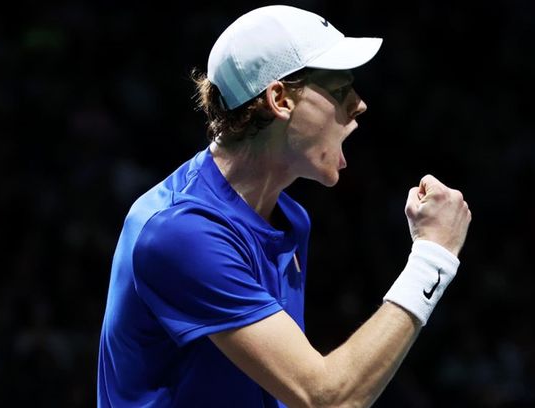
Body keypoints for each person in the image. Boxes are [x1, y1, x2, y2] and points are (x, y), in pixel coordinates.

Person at [97, 5, 471, 407]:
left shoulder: (290, 218)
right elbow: (326, 398)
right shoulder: (180, 232)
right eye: (340, 91)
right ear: (279, 99)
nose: (359, 104)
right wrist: (433, 256)